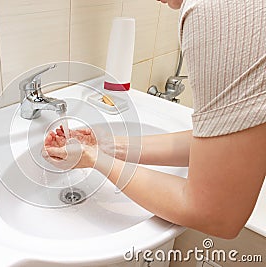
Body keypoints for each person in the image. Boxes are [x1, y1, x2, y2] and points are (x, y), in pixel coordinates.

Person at [43, 0, 266, 239]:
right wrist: (106, 146)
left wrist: (95, 159)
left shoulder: (215, 9)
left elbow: (215, 215)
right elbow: (223, 145)